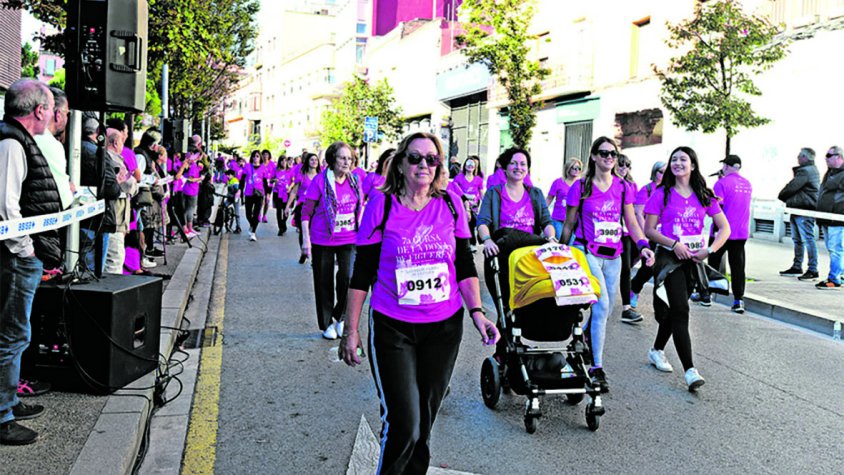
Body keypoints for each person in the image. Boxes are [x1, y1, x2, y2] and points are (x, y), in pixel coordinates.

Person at [338, 131, 499, 474]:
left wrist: (478, 313)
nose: (424, 165)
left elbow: (465, 266)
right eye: (415, 158)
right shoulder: (380, 205)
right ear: (400, 164)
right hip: (393, 327)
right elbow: (361, 273)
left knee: (423, 426)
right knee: (404, 424)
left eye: (432, 158)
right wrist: (350, 330)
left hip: (443, 328)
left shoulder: (452, 203)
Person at [561, 137, 655, 393]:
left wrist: (643, 245)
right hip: (586, 251)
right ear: (593, 156)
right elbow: (569, 224)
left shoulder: (624, 188)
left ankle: (582, 347)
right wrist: (560, 253)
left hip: (614, 256)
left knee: (605, 311)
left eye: (613, 154)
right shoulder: (580, 187)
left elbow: (632, 222)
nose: (609, 158)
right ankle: (597, 367)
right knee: (601, 305)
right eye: (603, 153)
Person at [0, 79, 60, 445]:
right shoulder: (11, 143)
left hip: (17, 256)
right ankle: (2, 413)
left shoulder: (16, 140)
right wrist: (26, 249)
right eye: (51, 109)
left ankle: (9, 400)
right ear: (38, 110)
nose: (53, 115)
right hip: (13, 258)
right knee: (11, 332)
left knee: (16, 332)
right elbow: (7, 208)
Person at [643, 146, 730, 391]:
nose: (678, 163)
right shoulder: (662, 193)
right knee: (681, 309)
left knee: (675, 311)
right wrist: (673, 244)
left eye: (683, 159)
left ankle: (657, 350)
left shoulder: (704, 195)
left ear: (693, 165)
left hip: (693, 260)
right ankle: (690, 371)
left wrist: (710, 251)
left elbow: (725, 228)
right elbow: (649, 229)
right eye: (674, 159)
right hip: (669, 259)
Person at [476, 148, 555, 360]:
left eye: (523, 164)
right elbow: (482, 222)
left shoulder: (535, 194)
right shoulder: (494, 194)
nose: (518, 168)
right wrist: (488, 240)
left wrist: (550, 237)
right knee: (505, 309)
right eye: (514, 163)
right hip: (500, 258)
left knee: (527, 307)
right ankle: (504, 353)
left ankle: (513, 350)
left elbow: (546, 222)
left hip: (528, 261)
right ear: (504, 166)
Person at [300, 142, 362, 339]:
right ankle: (326, 323)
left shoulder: (355, 181)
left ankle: (341, 316)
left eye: (350, 159)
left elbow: (360, 208)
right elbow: (306, 213)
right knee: (323, 281)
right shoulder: (319, 181)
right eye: (342, 158)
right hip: (322, 239)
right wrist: (306, 241)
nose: (347, 162)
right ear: (332, 160)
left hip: (349, 238)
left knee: (349, 277)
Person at [703, 155, 752, 312]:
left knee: (713, 262)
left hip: (723, 231)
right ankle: (738, 300)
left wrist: (717, 229)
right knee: (738, 266)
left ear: (726, 166)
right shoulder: (747, 184)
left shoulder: (721, 183)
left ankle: (707, 295)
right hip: (741, 231)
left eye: (724, 165)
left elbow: (719, 206)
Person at [79, 117, 120, 273]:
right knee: (93, 270)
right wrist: (117, 182)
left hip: (79, 216)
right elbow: (111, 189)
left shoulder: (69, 147)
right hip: (97, 219)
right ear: (98, 133)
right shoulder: (98, 153)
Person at [777, 148, 820, 280]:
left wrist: (781, 195)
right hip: (799, 208)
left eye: (799, 156)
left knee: (806, 239)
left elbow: (792, 187)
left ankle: (812, 269)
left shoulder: (805, 171)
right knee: (799, 240)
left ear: (805, 157)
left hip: (803, 210)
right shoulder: (813, 170)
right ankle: (797, 266)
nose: (797, 158)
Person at [629, 160, 666, 310]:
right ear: (654, 172)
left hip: (666, 235)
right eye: (660, 171)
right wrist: (645, 234)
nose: (663, 175)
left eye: (665, 172)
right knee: (648, 267)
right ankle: (634, 288)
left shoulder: (670, 190)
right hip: (649, 234)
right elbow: (638, 212)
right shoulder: (647, 190)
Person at [34, 87, 74, 210]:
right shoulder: (52, 145)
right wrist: (70, 190)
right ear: (58, 115)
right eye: (67, 114)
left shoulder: (26, 135)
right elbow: (64, 198)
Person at [615, 154, 644, 324]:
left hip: (626, 231)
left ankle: (626, 306)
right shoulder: (606, 182)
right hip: (604, 236)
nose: (623, 168)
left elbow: (633, 210)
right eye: (620, 165)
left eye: (627, 165)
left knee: (627, 266)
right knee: (621, 268)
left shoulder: (631, 185)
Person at [104, 129, 137, 274]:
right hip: (115, 217)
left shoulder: (104, 157)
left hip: (110, 217)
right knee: (114, 259)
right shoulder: (114, 160)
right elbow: (130, 185)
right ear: (116, 143)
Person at [814, 146, 844, 290]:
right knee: (832, 249)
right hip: (826, 219)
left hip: (837, 220)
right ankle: (840, 275)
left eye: (829, 155)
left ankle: (834, 279)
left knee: (835, 249)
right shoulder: (830, 173)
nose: (826, 158)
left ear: (839, 157)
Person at [286, 152, 321, 260]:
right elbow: (294, 192)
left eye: (316, 160)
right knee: (303, 230)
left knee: (314, 231)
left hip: (317, 207)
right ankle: (303, 250)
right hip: (302, 206)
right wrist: (287, 206)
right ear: (307, 162)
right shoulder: (302, 175)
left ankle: (314, 254)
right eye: (312, 160)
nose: (314, 161)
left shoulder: (321, 176)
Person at [451, 156, 485, 249]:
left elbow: (482, 193)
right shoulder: (458, 178)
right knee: (461, 223)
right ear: (465, 165)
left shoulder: (478, 179)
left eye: (472, 164)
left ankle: (472, 244)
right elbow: (454, 191)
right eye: (468, 163)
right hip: (461, 205)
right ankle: (461, 244)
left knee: (472, 224)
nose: (470, 166)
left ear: (475, 167)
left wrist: (485, 204)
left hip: (474, 206)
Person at [546, 157, 582, 241]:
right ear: (568, 168)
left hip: (574, 221)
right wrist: (541, 213)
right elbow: (549, 199)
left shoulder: (581, 184)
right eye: (574, 168)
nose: (577, 170)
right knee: (561, 242)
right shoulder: (558, 182)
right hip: (558, 219)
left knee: (572, 245)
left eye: (579, 168)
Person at [242, 150, 265, 241]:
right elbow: (242, 180)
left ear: (260, 158)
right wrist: (239, 191)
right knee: (248, 213)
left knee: (256, 213)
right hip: (248, 193)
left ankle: (253, 233)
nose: (255, 158)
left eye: (257, 156)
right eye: (254, 156)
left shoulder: (263, 168)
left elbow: (266, 183)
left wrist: (267, 194)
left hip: (259, 194)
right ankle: (252, 224)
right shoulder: (247, 167)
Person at [271, 155, 292, 236]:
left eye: (285, 160)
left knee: (286, 210)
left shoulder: (290, 170)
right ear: (279, 162)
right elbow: (271, 180)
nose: (283, 162)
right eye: (282, 160)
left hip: (286, 193)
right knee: (279, 210)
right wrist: (274, 180)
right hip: (277, 192)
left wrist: (290, 188)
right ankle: (281, 228)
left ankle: (283, 223)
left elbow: (293, 181)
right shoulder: (276, 170)